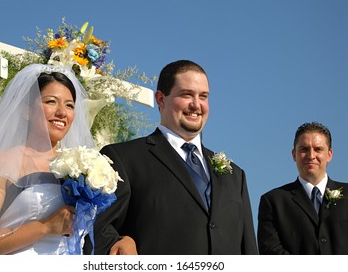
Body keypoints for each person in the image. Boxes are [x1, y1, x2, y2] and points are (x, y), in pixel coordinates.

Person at [84, 59, 258, 255]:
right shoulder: (123, 158)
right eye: (186, 95)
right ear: (161, 99)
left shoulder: (235, 175)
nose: (196, 105)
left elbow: (249, 250)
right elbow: (94, 228)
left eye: (203, 96)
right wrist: (120, 243)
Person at [0, 64, 133, 254]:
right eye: (51, 102)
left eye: (69, 105)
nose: (62, 112)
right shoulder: (3, 161)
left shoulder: (83, 165)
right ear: (26, 110)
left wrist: (124, 239)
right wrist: (45, 227)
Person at [257, 122, 348, 254]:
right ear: (294, 154)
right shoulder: (273, 202)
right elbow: (271, 253)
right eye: (304, 149)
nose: (311, 156)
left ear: (329, 155)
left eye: (318, 149)